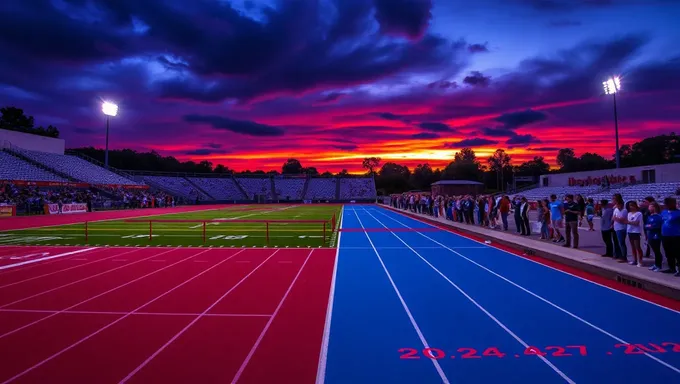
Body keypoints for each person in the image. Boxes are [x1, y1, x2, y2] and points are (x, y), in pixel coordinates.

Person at [661, 197, 680, 276]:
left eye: (667, 204)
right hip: (665, 235)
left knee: (677, 253)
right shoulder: (664, 212)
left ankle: (679, 269)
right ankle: (671, 268)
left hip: (676, 236)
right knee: (668, 253)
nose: (666, 205)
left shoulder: (678, 213)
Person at [645, 202, 664, 271]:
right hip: (650, 235)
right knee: (654, 251)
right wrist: (650, 226)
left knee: (657, 251)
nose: (648, 208)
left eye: (650, 206)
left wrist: (650, 226)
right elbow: (646, 226)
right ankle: (655, 264)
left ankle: (659, 266)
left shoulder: (658, 217)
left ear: (654, 207)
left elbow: (656, 226)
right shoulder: (650, 216)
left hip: (656, 236)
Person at [626, 201, 644, 267]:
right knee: (632, 247)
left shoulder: (639, 213)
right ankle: (634, 260)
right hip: (630, 231)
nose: (631, 207)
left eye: (632, 205)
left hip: (636, 231)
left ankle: (640, 261)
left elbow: (636, 223)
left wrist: (628, 222)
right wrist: (628, 222)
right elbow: (629, 222)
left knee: (637, 247)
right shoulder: (629, 213)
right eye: (630, 206)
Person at [612, 194, 628, 263]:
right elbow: (613, 218)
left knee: (622, 243)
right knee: (617, 242)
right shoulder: (615, 209)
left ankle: (624, 257)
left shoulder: (624, 210)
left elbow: (622, 220)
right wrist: (615, 220)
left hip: (622, 228)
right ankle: (618, 255)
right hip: (616, 227)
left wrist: (616, 219)